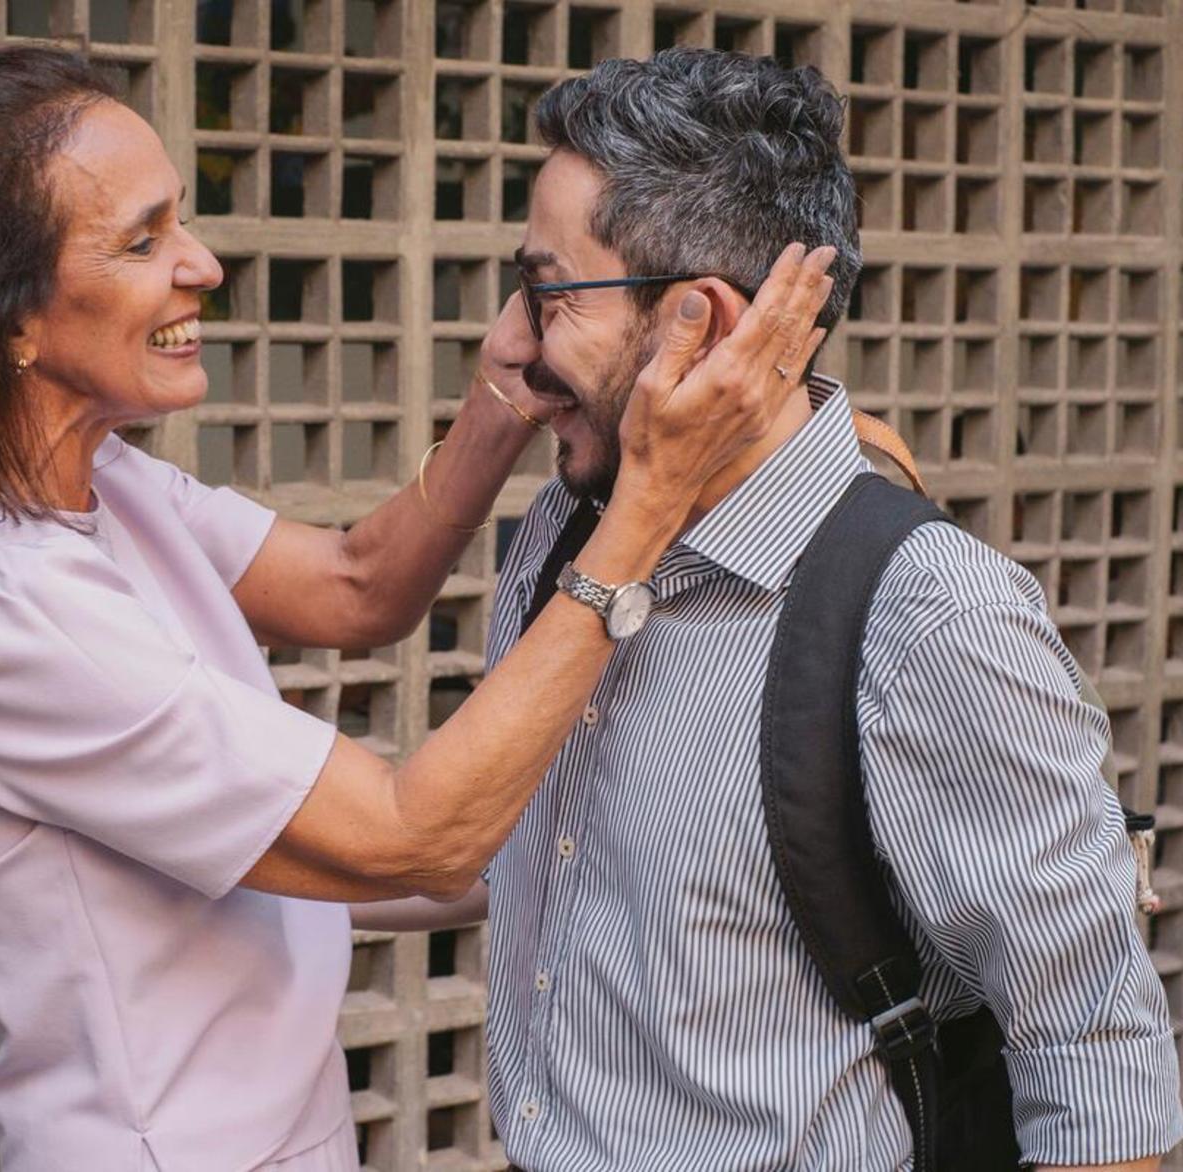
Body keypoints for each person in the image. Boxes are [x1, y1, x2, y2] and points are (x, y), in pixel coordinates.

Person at [0, 46, 837, 1172]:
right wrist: (649, 503)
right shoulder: (3, 616)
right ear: (5, 318)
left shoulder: (96, 478)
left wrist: (508, 395)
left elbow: (356, 584)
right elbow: (417, 836)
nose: (203, 264)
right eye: (143, 240)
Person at [362, 47, 1183, 1172]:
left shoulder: (930, 620)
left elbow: (1098, 1072)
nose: (507, 345)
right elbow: (532, 842)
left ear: (700, 321)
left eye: (546, 291)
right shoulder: (568, 531)